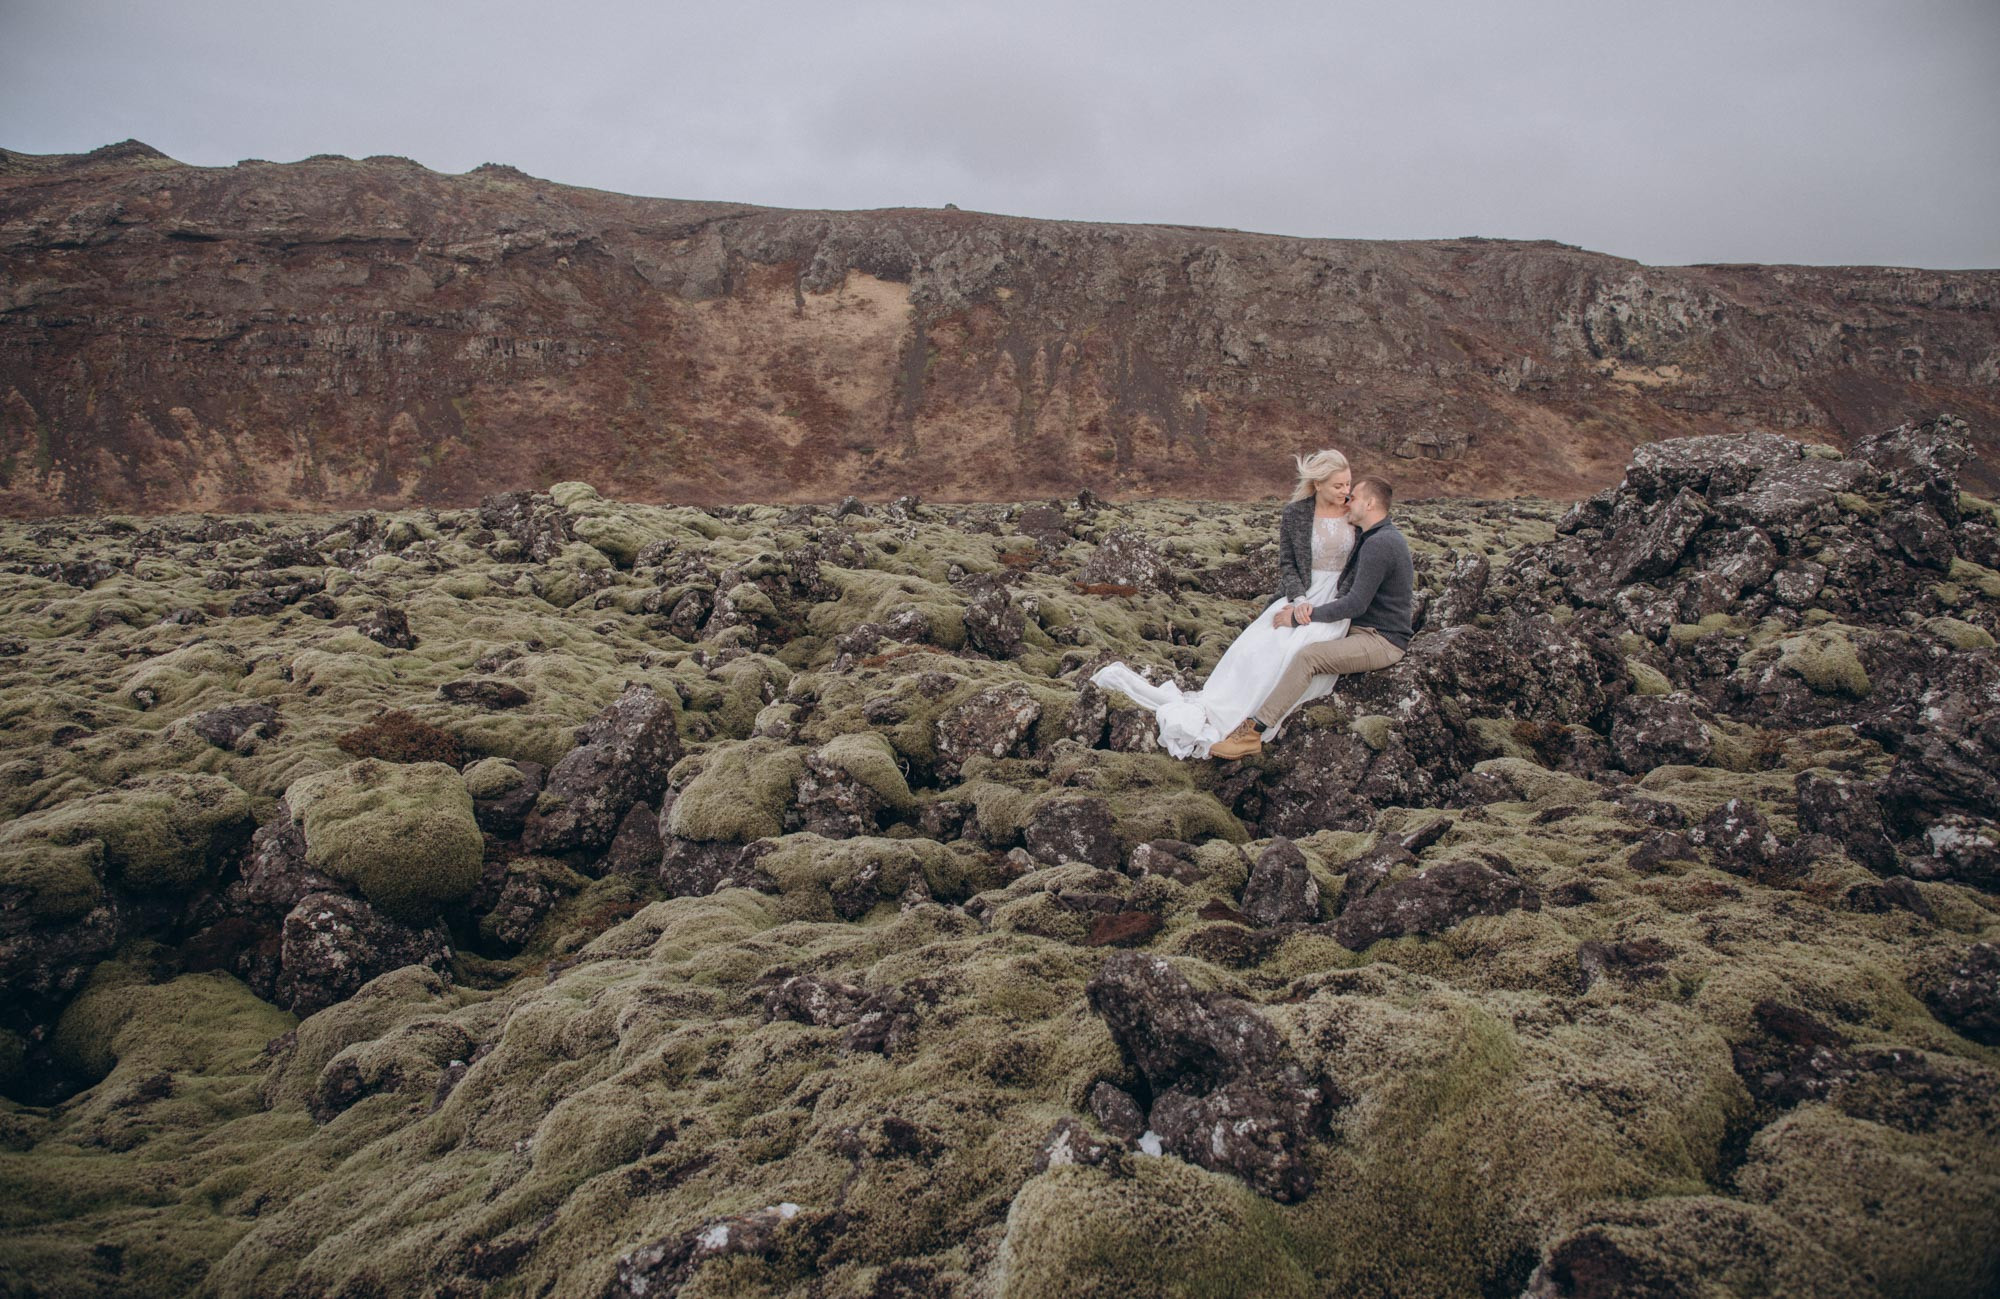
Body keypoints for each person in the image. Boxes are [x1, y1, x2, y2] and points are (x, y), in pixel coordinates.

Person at [1089, 450, 1359, 758]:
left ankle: (1258, 721)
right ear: (1318, 484)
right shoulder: (1296, 513)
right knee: (1257, 649)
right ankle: (1226, 714)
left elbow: (1364, 565)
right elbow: (1288, 565)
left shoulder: (1356, 513)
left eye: (1348, 483)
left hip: (1336, 601)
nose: (1346, 491)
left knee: (1294, 653)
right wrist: (1298, 600)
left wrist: (1330, 607)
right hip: (1300, 595)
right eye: (1338, 485)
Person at [1208, 474, 1414, 760]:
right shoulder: (1375, 536)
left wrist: (1301, 617)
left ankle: (1254, 731)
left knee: (1309, 656)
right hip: (1365, 630)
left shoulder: (1380, 544)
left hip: (1382, 640)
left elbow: (1355, 604)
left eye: (1352, 496)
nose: (1347, 500)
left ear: (1369, 504)